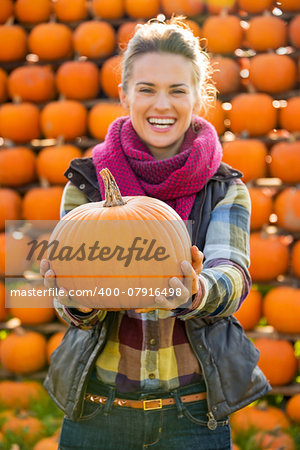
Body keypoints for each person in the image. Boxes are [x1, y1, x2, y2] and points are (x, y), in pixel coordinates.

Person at [41, 16, 271, 450]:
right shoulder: (87, 185)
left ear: (198, 98)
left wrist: (195, 290)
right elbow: (72, 300)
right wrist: (75, 298)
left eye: (177, 90)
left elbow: (232, 275)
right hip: (98, 409)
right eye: (146, 89)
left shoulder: (223, 186)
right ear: (125, 94)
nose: (161, 104)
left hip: (192, 413)